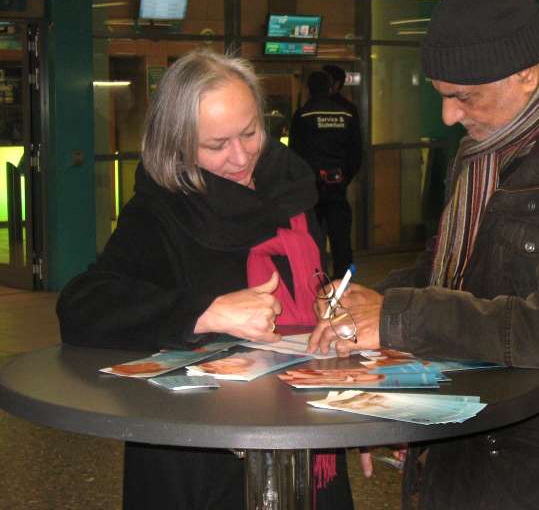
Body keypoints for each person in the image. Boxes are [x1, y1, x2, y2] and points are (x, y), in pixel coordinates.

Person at [309, 0, 539, 509]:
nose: (449, 116)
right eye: (442, 96)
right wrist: (373, 306)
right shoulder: (496, 146)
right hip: (483, 432)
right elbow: (464, 271)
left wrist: (402, 316)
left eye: (463, 96)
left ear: (524, 74)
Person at [56, 49, 354, 510]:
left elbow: (311, 290)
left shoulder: (290, 186)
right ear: (177, 144)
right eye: (216, 145)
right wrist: (203, 311)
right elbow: (81, 304)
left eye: (250, 133)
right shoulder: (161, 212)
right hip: (201, 460)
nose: (240, 158)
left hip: (307, 442)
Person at [290, 70, 362, 278]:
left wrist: (308, 180)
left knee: (313, 241)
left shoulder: (303, 115)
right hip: (338, 190)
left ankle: (317, 287)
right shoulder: (346, 115)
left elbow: (295, 154)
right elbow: (356, 154)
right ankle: (345, 289)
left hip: (312, 193)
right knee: (342, 242)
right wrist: (343, 178)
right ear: (330, 88)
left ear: (308, 90)